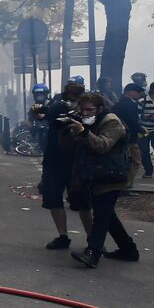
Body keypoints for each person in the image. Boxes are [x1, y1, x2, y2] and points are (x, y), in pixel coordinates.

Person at [61, 92, 139, 268]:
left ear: (100, 109)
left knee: (102, 215)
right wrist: (68, 131)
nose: (86, 113)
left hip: (112, 174)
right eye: (83, 110)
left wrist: (83, 132)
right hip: (96, 174)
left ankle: (93, 252)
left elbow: (102, 146)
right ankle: (128, 249)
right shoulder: (88, 121)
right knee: (107, 215)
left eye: (90, 109)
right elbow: (70, 148)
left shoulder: (111, 122)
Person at [33, 79, 90, 250]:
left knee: (82, 201)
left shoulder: (87, 108)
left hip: (76, 159)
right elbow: (45, 117)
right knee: (54, 197)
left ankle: (92, 239)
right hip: (55, 157)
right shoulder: (57, 105)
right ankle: (63, 235)